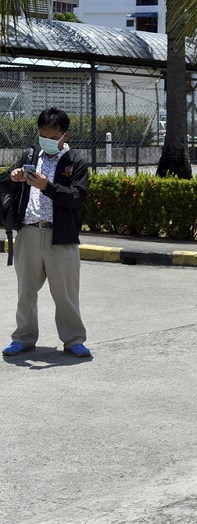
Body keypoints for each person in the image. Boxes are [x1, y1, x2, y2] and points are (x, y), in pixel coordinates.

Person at [0, 107, 91, 358]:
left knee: (66, 294)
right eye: (43, 136)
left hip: (60, 237)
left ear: (65, 136)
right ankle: (23, 338)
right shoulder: (30, 155)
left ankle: (73, 339)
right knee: (25, 291)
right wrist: (14, 176)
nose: (47, 142)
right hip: (28, 232)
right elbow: (3, 183)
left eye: (53, 138)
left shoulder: (75, 162)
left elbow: (77, 196)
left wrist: (47, 187)